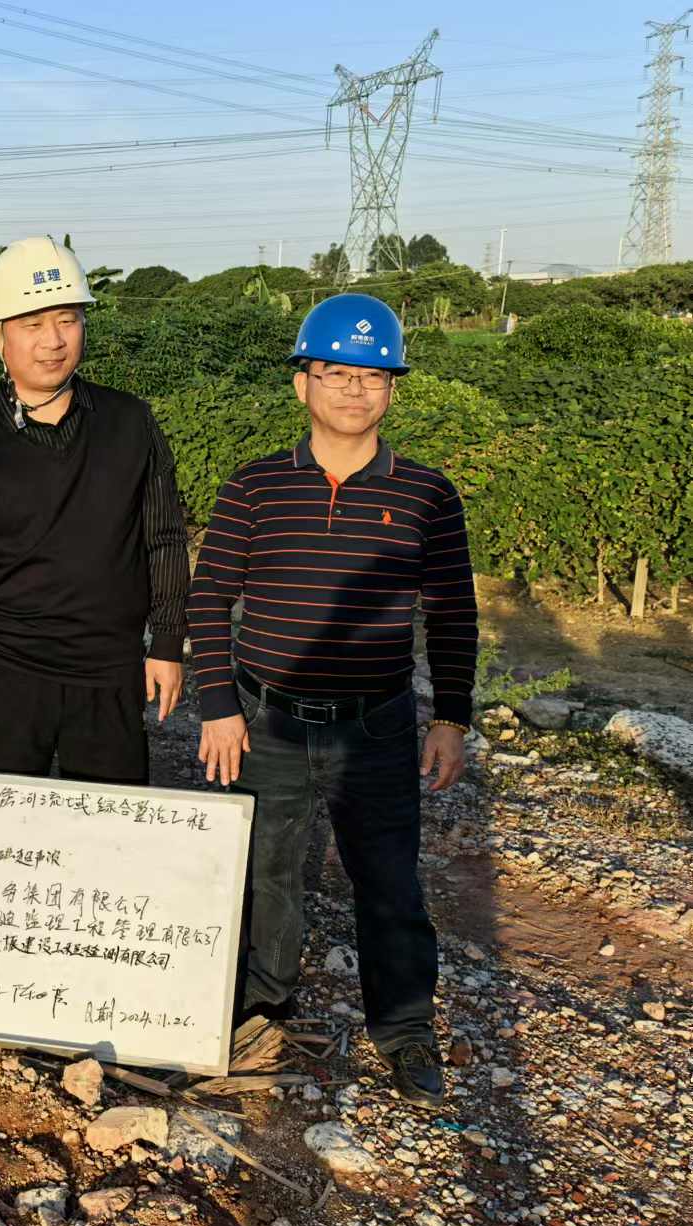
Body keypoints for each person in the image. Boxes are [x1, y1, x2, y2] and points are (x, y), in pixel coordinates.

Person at [186, 293, 478, 1108]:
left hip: (375, 726)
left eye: (373, 376)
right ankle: (262, 1006)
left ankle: (406, 1028)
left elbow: (453, 611)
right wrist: (219, 705)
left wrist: (451, 716)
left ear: (393, 389)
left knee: (388, 880)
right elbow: (209, 597)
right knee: (266, 870)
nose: (355, 389)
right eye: (336, 373)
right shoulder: (256, 486)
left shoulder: (427, 494)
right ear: (302, 383)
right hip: (267, 721)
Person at [0, 235, 189, 782]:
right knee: (0, 826)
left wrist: (167, 642)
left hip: (109, 669)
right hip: (6, 673)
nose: (53, 340)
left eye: (67, 320)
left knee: (109, 822)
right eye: (32, 324)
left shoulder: (130, 423)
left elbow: (165, 537)